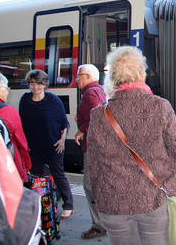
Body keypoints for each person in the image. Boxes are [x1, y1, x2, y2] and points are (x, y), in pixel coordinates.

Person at [87, 46, 176, 245]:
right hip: (151, 200)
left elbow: (93, 164)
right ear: (141, 73)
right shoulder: (158, 106)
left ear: (113, 76)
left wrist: (101, 196)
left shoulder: (98, 115)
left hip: (112, 204)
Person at [19, 69, 74, 219]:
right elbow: (22, 123)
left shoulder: (53, 100)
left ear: (44, 84)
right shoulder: (25, 100)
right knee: (37, 177)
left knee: (58, 173)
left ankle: (68, 205)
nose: (35, 87)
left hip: (54, 145)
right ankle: (44, 205)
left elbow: (64, 123)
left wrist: (62, 141)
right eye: (31, 83)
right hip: (34, 147)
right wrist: (25, 143)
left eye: (38, 83)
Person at [75, 64, 107, 239]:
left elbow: (99, 116)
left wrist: (84, 128)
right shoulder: (98, 90)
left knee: (90, 185)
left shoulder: (90, 93)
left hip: (94, 147)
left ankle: (100, 224)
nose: (76, 79)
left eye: (78, 76)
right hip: (97, 145)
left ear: (87, 76)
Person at [0, 73, 31, 183]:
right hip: (3, 166)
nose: (8, 92)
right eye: (6, 88)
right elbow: (21, 143)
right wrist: (26, 167)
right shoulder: (9, 111)